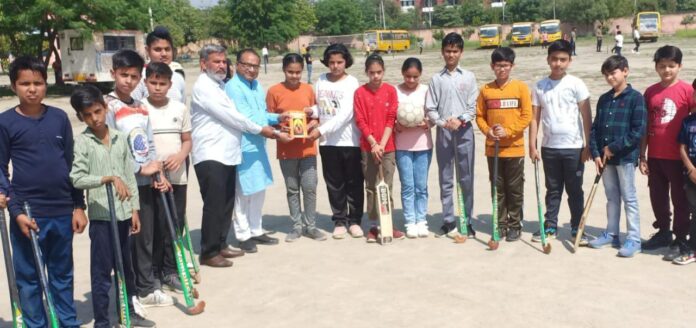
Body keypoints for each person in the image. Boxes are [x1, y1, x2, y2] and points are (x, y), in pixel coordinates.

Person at [0, 56, 87, 328]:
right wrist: (15, 212)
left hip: (61, 210)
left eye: (38, 82)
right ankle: (35, 323)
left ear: (46, 84)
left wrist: (78, 206)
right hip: (27, 213)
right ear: (14, 86)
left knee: (62, 274)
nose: (32, 89)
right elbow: (1, 168)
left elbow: (72, 164)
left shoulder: (59, 118)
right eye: (24, 83)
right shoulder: (5, 122)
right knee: (29, 277)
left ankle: (67, 322)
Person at [69, 85, 155, 328]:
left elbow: (128, 175)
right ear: (80, 117)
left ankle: (129, 313)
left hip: (124, 214)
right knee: (101, 274)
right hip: (101, 218)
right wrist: (104, 179)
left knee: (126, 268)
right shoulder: (83, 143)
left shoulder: (119, 138)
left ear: (105, 108)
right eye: (88, 115)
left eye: (98, 111)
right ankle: (103, 322)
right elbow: (77, 178)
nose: (95, 118)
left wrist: (134, 209)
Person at [190, 44, 276, 267]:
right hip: (211, 154)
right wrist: (261, 129)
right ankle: (208, 252)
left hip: (228, 153)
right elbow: (233, 117)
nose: (221, 66)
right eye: (216, 61)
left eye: (222, 61)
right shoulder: (204, 87)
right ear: (203, 64)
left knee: (226, 203)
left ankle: (221, 244)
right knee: (214, 204)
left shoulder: (219, 85)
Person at [104, 49, 173, 310]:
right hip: (124, 185)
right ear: (113, 74)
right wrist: (137, 168)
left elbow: (150, 144)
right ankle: (136, 290)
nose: (128, 81)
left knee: (147, 237)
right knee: (130, 240)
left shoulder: (141, 107)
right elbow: (110, 149)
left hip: (146, 183)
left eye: (134, 76)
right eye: (123, 75)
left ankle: (146, 287)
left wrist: (157, 171)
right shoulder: (108, 107)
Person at [529, 40, 592, 245]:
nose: (558, 63)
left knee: (575, 190)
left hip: (574, 148)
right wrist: (532, 145)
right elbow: (535, 118)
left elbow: (586, 116)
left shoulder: (576, 84)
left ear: (569, 61)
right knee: (553, 189)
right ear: (548, 60)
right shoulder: (540, 86)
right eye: (554, 59)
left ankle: (576, 227)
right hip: (549, 148)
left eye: (563, 59)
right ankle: (550, 226)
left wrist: (587, 145)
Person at [225, 48, 284, 253]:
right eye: (246, 65)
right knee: (243, 192)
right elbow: (245, 117)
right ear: (237, 65)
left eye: (255, 66)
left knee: (258, 189)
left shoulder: (256, 86)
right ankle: (242, 234)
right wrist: (275, 132)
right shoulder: (233, 87)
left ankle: (256, 229)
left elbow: (262, 113)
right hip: (243, 146)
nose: (251, 69)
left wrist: (278, 118)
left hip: (258, 144)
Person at [640, 45, 696, 258]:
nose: (667, 70)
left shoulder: (687, 91)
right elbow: (646, 126)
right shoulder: (651, 92)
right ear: (656, 67)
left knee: (681, 199)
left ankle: (680, 238)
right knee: (657, 196)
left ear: (680, 66)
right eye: (662, 66)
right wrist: (642, 155)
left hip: (679, 157)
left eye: (671, 66)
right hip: (655, 156)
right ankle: (663, 232)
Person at [587, 56, 647, 258]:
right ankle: (611, 234)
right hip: (605, 160)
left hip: (625, 158)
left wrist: (612, 148)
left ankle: (634, 238)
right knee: (611, 197)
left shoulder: (635, 98)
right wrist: (596, 153)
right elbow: (595, 128)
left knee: (629, 198)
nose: (610, 78)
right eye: (606, 75)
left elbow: (638, 131)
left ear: (625, 71)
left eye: (613, 73)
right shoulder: (604, 99)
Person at [141, 62, 192, 292]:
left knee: (174, 223)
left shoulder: (180, 108)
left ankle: (171, 271)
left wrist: (181, 155)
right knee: (151, 229)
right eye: (153, 83)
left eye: (162, 84)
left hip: (176, 177)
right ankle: (152, 273)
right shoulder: (139, 109)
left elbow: (187, 140)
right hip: (150, 179)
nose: (158, 88)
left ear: (170, 84)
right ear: (145, 83)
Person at [266, 54, 325, 243]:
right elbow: (269, 119)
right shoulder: (274, 91)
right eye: (290, 72)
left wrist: (311, 125)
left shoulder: (308, 89)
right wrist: (280, 128)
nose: (294, 76)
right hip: (286, 149)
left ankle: (311, 226)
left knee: (309, 187)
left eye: (298, 72)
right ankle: (296, 226)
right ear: (284, 70)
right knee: (292, 188)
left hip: (307, 148)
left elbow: (317, 116)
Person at [307, 44, 364, 239]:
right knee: (334, 183)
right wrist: (310, 112)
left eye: (339, 62)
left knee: (354, 182)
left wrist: (321, 129)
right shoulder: (321, 80)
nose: (335, 66)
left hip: (349, 141)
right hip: (327, 143)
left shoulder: (352, 82)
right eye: (331, 62)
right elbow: (320, 107)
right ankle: (339, 220)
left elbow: (347, 114)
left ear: (346, 61)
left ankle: (355, 220)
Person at [475, 47, 532, 242]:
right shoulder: (486, 90)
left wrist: (509, 131)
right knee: (497, 189)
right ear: (492, 66)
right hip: (494, 150)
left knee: (514, 189)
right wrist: (487, 131)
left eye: (506, 66)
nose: (502, 69)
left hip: (515, 149)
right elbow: (480, 116)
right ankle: (500, 224)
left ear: (512, 66)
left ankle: (515, 224)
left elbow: (527, 116)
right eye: (498, 66)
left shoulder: (521, 88)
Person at [425, 32, 478, 239]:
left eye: (455, 51)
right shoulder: (436, 79)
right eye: (448, 51)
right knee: (446, 178)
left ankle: (467, 220)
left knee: (466, 177)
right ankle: (448, 220)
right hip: (444, 132)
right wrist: (443, 122)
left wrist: (461, 119)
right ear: (442, 52)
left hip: (464, 132)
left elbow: (473, 107)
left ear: (461, 52)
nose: (451, 55)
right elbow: (430, 108)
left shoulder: (469, 76)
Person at [353, 54, 403, 242]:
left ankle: (388, 224)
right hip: (368, 147)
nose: (375, 76)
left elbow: (391, 118)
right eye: (372, 73)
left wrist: (382, 144)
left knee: (386, 187)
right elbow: (360, 120)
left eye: (379, 72)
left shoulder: (390, 90)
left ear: (384, 71)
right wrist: (373, 143)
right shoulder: (359, 93)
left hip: (387, 146)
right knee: (372, 187)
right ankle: (374, 226)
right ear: (366, 72)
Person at [394, 58, 433, 238]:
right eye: (408, 76)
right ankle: (410, 221)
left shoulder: (426, 90)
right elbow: (390, 115)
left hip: (423, 145)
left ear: (420, 75)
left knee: (421, 186)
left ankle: (421, 220)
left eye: (415, 77)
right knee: (408, 186)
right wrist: (396, 125)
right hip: (402, 145)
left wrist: (429, 123)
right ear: (403, 74)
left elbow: (434, 114)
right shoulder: (395, 91)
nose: (411, 80)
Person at [131, 26, 186, 103]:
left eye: (167, 49)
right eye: (158, 49)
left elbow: (182, 109)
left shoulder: (178, 78)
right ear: (147, 50)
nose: (164, 54)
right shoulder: (138, 79)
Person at [674, 78, 696, 265]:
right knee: (694, 211)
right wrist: (690, 169)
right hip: (691, 174)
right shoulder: (688, 121)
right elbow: (682, 148)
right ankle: (693, 249)